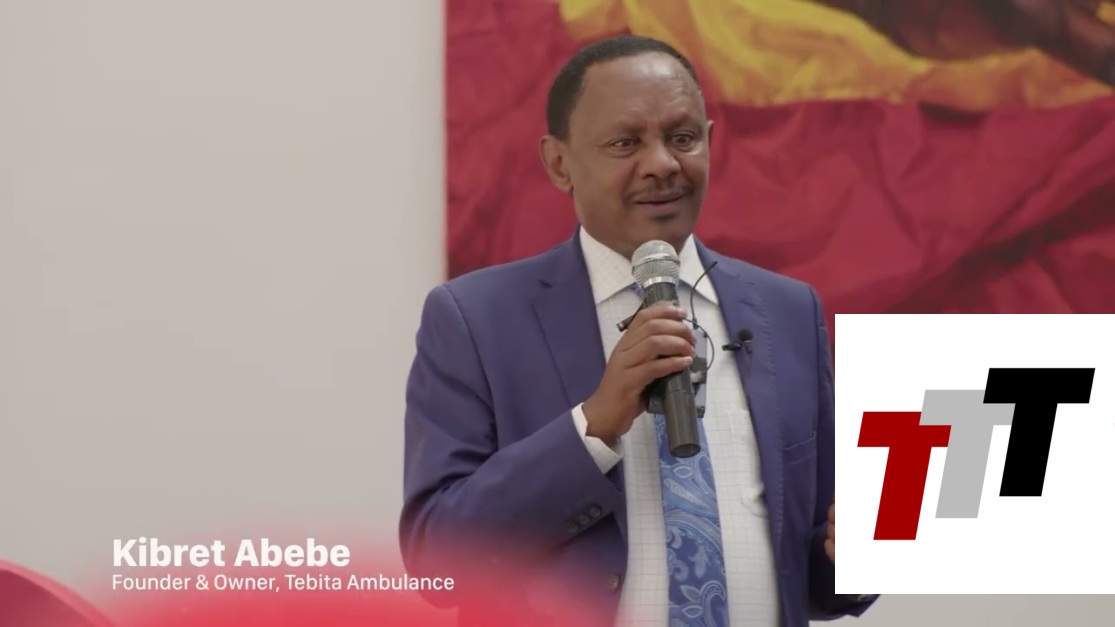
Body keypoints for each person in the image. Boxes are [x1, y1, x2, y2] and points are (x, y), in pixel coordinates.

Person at [399, 35, 878, 626]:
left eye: (683, 138)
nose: (662, 164)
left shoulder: (787, 311)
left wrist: (855, 554)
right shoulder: (475, 318)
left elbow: (813, 574)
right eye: (625, 143)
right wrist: (593, 425)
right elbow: (438, 560)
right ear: (559, 163)